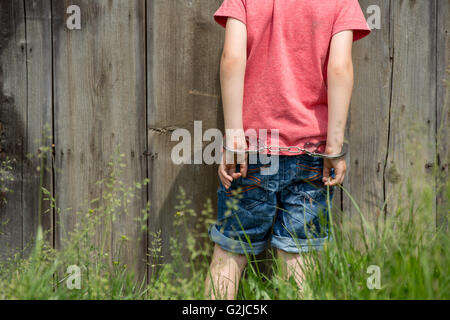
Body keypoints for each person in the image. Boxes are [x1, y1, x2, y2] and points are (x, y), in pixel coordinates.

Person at [204, 0, 371, 299]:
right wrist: (333, 148)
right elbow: (340, 67)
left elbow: (232, 58)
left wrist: (234, 141)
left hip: (252, 153)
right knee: (299, 256)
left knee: (230, 253)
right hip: (311, 154)